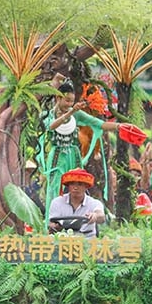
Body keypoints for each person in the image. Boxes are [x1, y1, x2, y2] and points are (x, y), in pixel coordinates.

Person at [38, 81, 122, 214]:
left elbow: (99, 124)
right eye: (67, 100)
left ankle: (80, 219)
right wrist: (71, 111)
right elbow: (51, 126)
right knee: (55, 188)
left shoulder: (76, 114)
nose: (69, 104)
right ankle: (52, 222)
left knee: (79, 184)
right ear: (57, 98)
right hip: (57, 156)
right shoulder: (47, 115)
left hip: (74, 154)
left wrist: (120, 126)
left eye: (72, 101)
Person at [48, 168, 106, 238]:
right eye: (72, 184)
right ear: (68, 186)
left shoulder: (94, 203)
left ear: (86, 186)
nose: (75, 188)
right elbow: (52, 222)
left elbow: (101, 216)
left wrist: (95, 216)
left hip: (87, 240)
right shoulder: (57, 202)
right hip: (63, 240)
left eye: (80, 184)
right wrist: (54, 227)